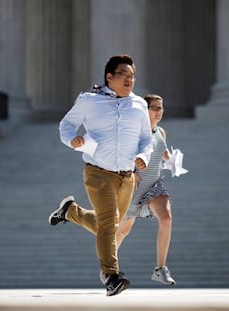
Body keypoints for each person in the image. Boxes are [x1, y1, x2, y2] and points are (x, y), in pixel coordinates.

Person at [49, 54, 153, 296]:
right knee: (108, 223)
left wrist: (144, 157)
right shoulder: (89, 101)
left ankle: (70, 212)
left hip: (126, 176)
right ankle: (111, 276)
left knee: (109, 226)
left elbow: (147, 139)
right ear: (109, 77)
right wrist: (71, 140)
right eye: (124, 75)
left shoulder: (138, 105)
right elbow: (66, 125)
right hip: (98, 172)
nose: (130, 80)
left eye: (132, 76)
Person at [116, 94, 176, 286]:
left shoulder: (161, 132)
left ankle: (161, 268)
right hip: (133, 188)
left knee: (166, 217)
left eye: (161, 107)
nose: (159, 112)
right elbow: (122, 154)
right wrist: (131, 173)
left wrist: (171, 159)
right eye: (154, 108)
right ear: (144, 110)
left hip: (154, 184)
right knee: (124, 230)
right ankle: (108, 267)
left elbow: (162, 151)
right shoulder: (134, 134)